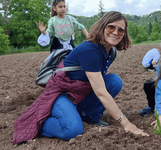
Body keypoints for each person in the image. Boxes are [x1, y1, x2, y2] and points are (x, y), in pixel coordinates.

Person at [13, 11, 148, 145]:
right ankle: (42, 123)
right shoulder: (89, 50)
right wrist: (126, 124)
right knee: (72, 130)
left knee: (114, 81)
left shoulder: (110, 52)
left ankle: (89, 116)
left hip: (80, 92)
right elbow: (100, 92)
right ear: (102, 27)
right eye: (111, 27)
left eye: (121, 30)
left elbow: (97, 84)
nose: (115, 32)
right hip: (62, 94)